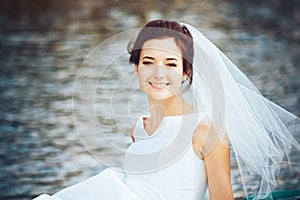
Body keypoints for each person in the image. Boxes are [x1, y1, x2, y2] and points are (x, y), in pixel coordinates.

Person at [34, 20, 300, 200]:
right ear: (136, 68)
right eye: (148, 61)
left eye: (171, 64)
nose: (158, 73)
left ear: (185, 72)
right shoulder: (140, 127)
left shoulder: (205, 132)